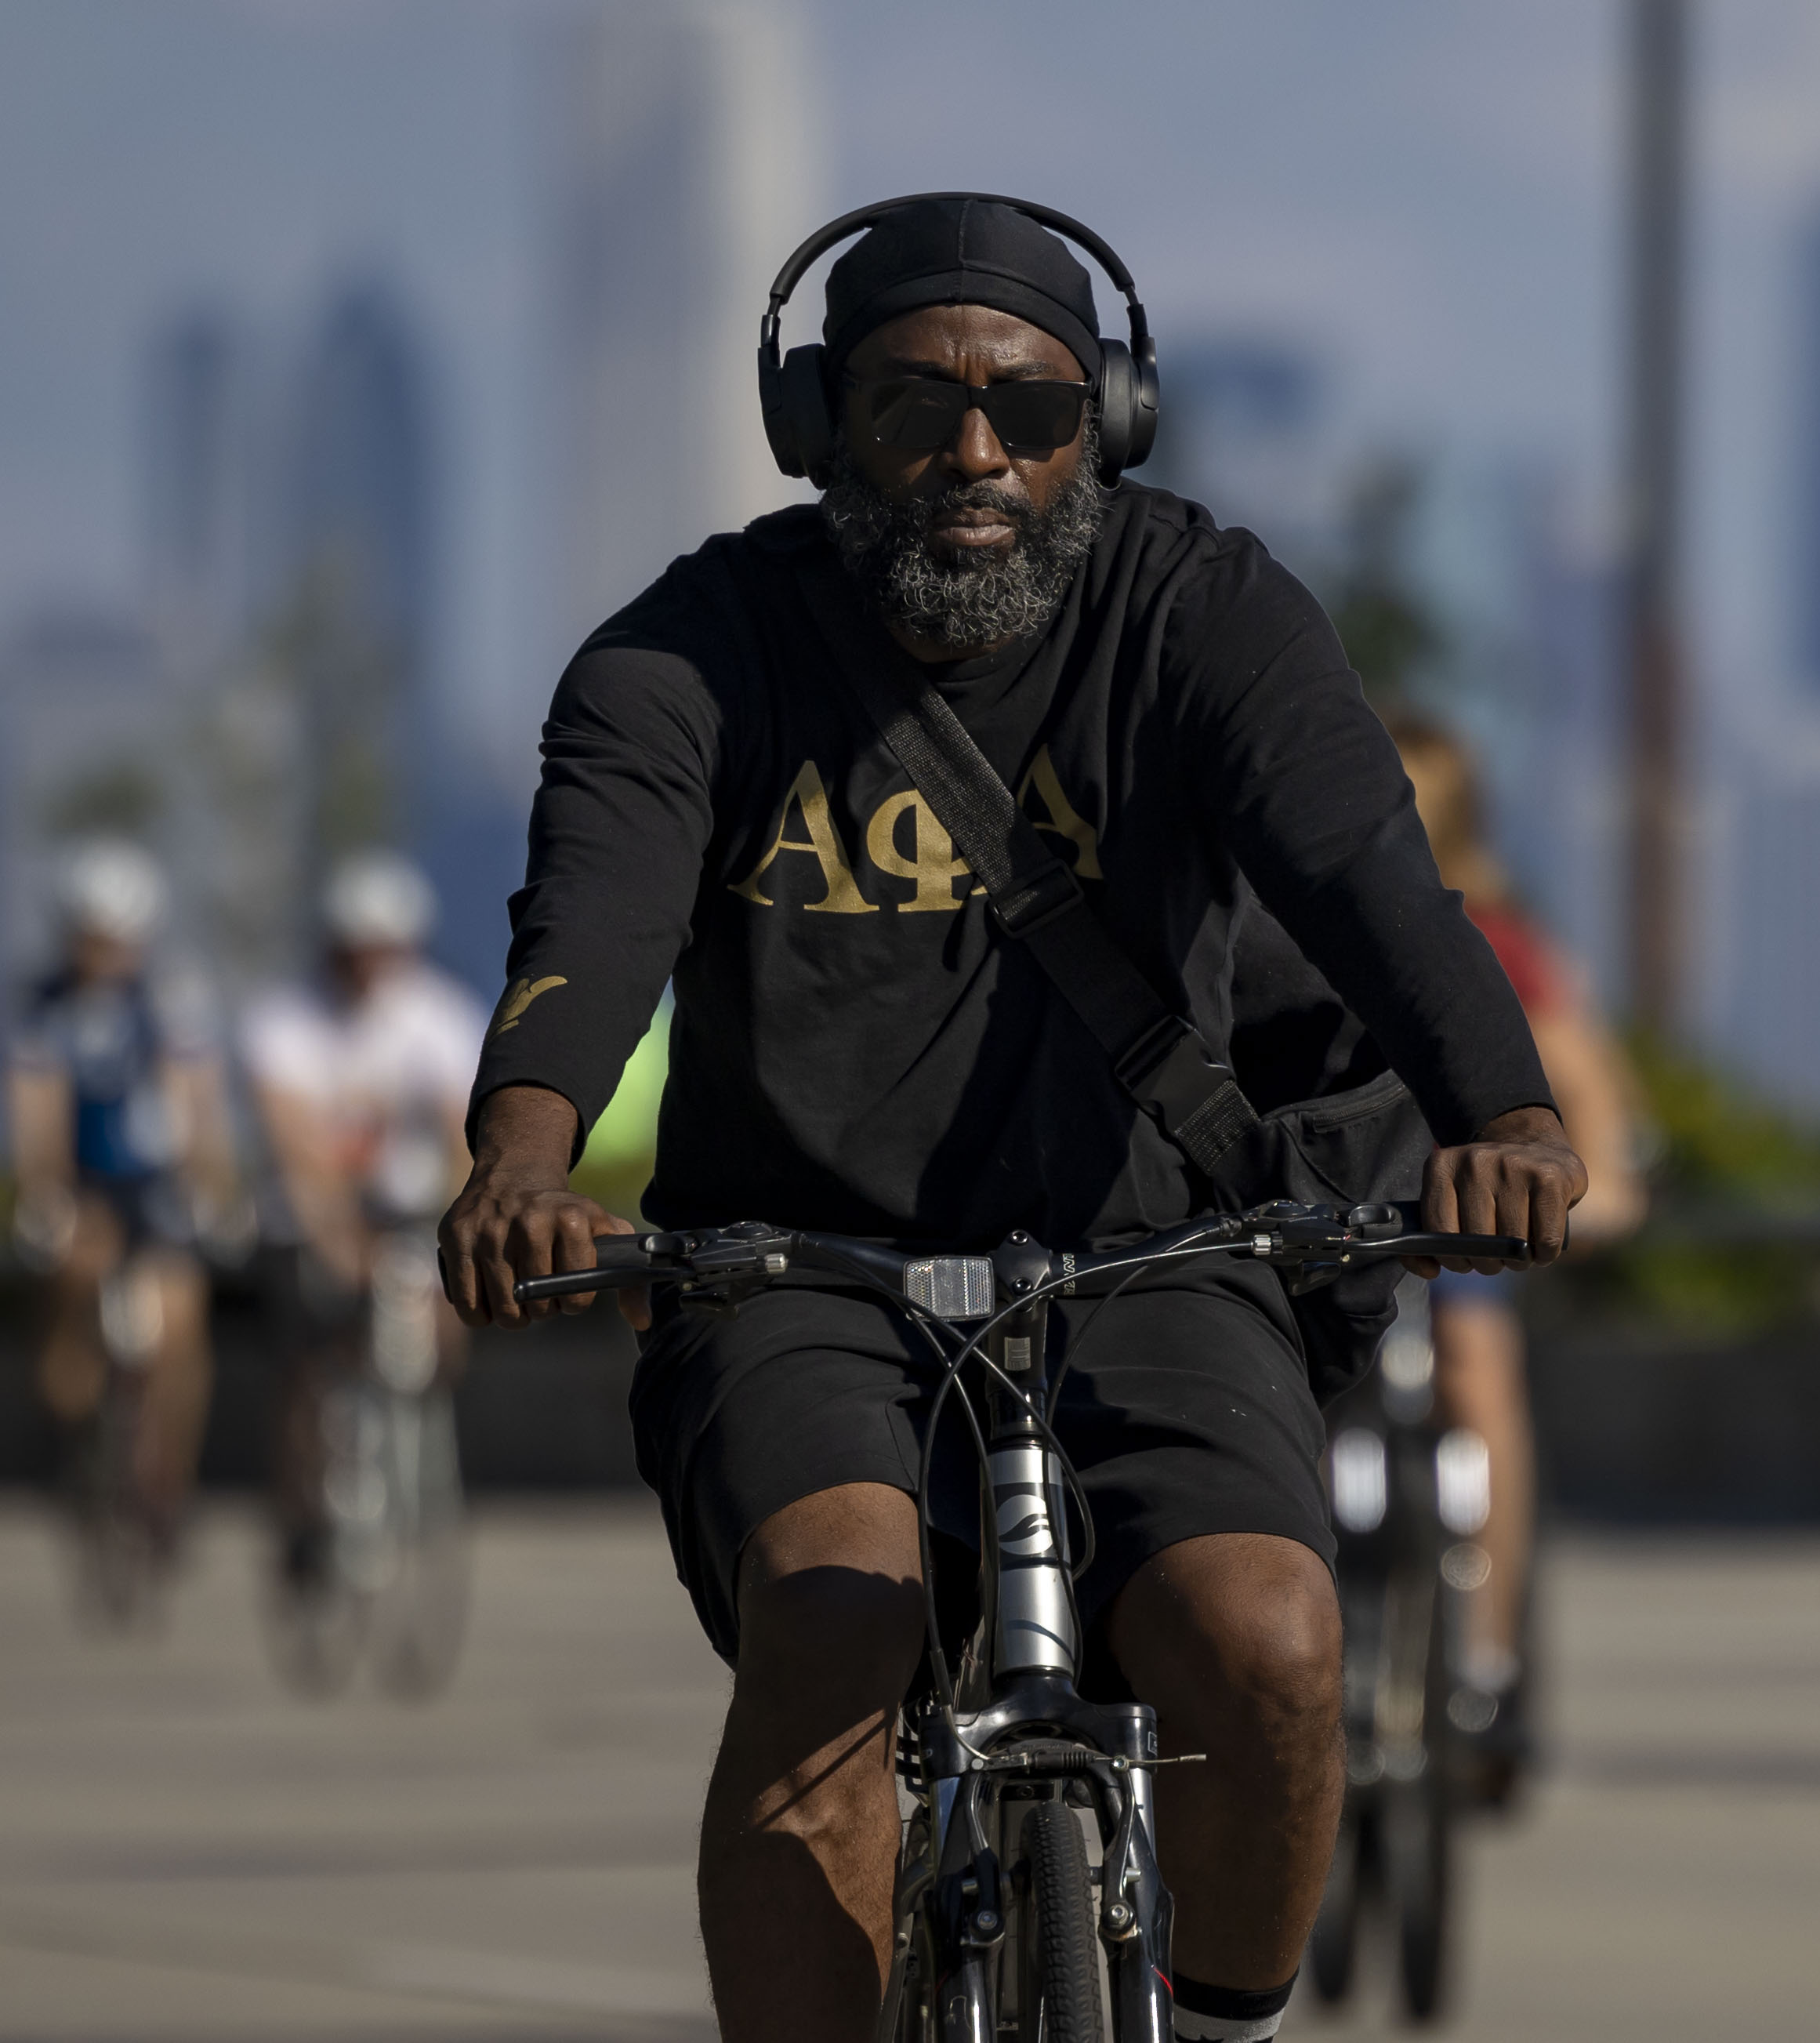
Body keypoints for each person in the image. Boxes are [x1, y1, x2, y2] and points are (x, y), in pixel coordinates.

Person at [436, 194, 1580, 2043]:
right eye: (912, 406)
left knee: (1270, 1642)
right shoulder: (690, 653)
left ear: (1102, 425)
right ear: (820, 428)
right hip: (798, 1267)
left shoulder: (1203, 609)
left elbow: (1374, 882)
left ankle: (1210, 2022)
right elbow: (595, 922)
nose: (974, 455)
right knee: (833, 1623)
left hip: (1153, 1249)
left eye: (1031, 413)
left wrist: (1507, 1116)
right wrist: (520, 1156)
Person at [1384, 712, 1645, 1773]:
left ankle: (1484, 1651)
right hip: (1328, 1235)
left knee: (1481, 1374)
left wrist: (1596, 1188)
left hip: (1454, 1250)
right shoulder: (1269, 929)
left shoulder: (1505, 945)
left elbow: (1593, 1100)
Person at [241, 852, 488, 1583]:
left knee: (445, 1329)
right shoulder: (285, 1021)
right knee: (311, 1359)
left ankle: (422, 1448)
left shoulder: (440, 1016)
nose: (369, 966)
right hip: (312, 1214)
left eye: (384, 949)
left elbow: (459, 1140)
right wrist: (335, 1239)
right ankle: (303, 1510)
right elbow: (294, 1151)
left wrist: (455, 1235)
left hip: (408, 1209)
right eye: (355, 949)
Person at [10, 840, 235, 1569]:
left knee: (181, 1322)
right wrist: (49, 1194)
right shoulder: (43, 1007)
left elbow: (200, 1109)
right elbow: (36, 1115)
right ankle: (75, 1432)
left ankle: (169, 1479)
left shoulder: (173, 998)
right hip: (82, 1184)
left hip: (154, 1189)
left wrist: (215, 1186)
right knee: (76, 1278)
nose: (103, 954)